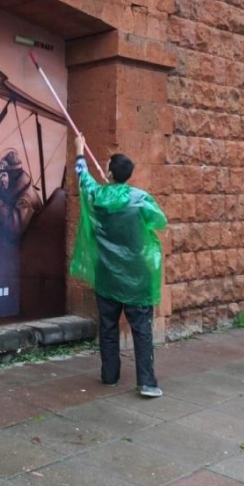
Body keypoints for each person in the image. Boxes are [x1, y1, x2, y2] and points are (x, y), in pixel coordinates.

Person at [71, 134, 168, 397]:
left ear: (110, 173)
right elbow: (159, 221)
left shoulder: (98, 196)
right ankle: (147, 383)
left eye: (107, 165)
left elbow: (83, 178)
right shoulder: (141, 198)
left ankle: (109, 375)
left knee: (108, 327)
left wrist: (79, 150)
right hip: (138, 275)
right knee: (142, 330)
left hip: (107, 275)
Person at [0, 150, 42, 237]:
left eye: (4, 175)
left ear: (13, 176)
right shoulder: (19, 188)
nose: (2, 179)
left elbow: (14, 228)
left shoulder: (24, 200)